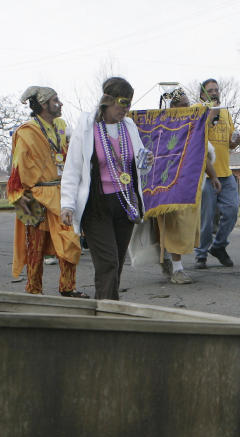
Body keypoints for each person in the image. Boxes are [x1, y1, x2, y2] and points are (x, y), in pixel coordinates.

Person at [61, 77, 149, 300]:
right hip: (97, 205)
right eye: (122, 102)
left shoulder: (129, 126)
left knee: (116, 263)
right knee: (107, 262)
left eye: (130, 103)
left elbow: (138, 164)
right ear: (107, 100)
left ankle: (110, 307)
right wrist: (67, 204)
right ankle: (105, 311)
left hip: (125, 201)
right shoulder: (87, 126)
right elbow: (72, 167)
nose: (126, 109)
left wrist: (145, 162)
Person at [8, 86, 87, 297]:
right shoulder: (26, 131)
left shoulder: (62, 126)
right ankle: (34, 290)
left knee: (70, 239)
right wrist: (17, 195)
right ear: (43, 104)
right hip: (38, 196)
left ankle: (68, 287)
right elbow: (17, 166)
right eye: (55, 100)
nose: (60, 104)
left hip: (63, 194)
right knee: (36, 247)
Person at [155, 87, 219, 285]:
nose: (187, 108)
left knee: (185, 227)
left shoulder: (192, 126)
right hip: (168, 186)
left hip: (190, 186)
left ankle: (170, 261)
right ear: (173, 107)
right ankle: (177, 268)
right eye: (183, 105)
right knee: (174, 225)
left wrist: (214, 176)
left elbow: (200, 151)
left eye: (188, 105)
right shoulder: (163, 126)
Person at [194, 78, 240, 269]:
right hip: (205, 174)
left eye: (216, 90)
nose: (215, 93)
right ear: (202, 95)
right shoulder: (197, 110)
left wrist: (236, 140)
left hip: (226, 172)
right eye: (210, 90)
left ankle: (219, 246)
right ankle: (201, 254)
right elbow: (195, 135)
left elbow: (230, 142)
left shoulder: (225, 112)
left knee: (232, 210)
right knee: (206, 219)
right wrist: (209, 114)